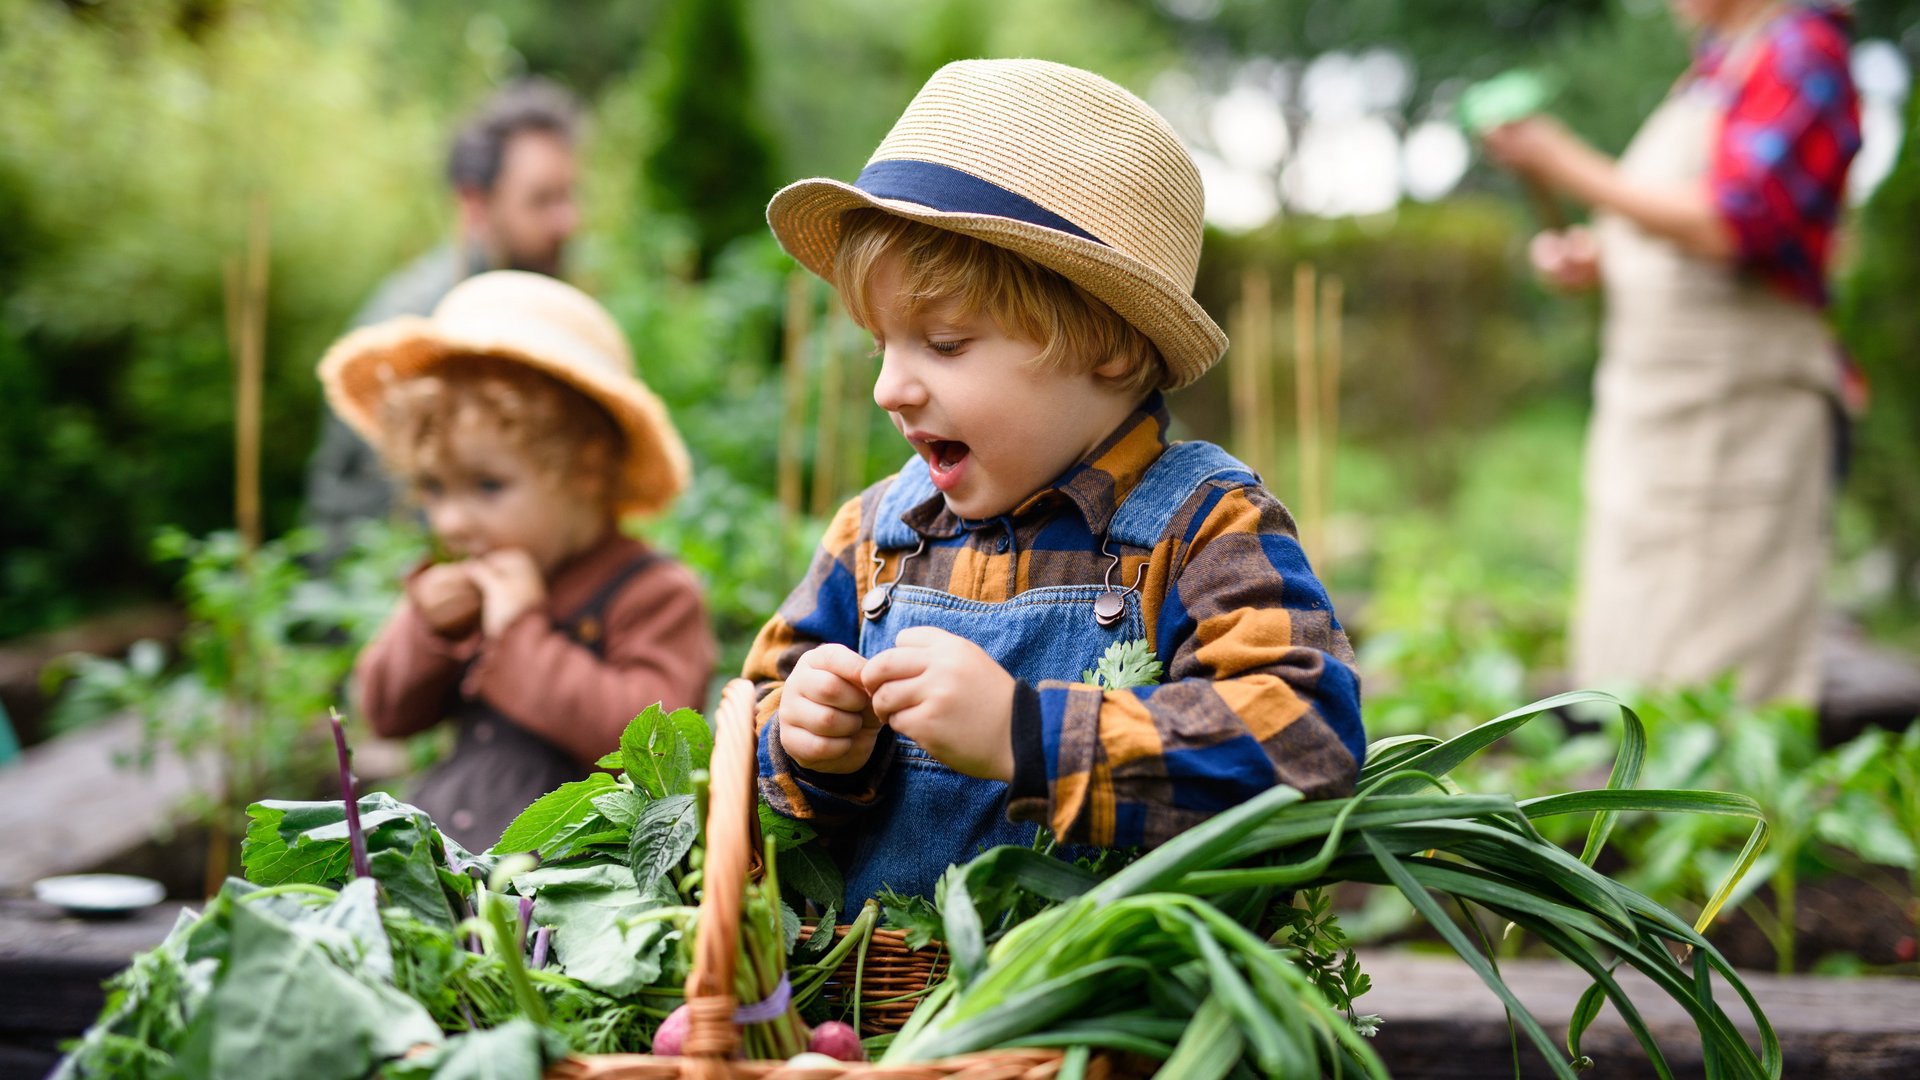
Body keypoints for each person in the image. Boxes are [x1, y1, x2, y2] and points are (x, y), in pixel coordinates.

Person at [749, 59, 1366, 908]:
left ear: (1107, 344)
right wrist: (803, 743)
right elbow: (748, 725)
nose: (889, 388)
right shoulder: (877, 537)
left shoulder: (1202, 530)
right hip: (875, 990)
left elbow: (1304, 739)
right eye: (881, 344)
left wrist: (1028, 736)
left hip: (1111, 993)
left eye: (946, 344)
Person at [1483, 0, 1860, 707]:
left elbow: (1732, 223)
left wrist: (1564, 162)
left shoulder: (1801, 51)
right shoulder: (1714, 69)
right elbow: (1668, 226)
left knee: (1723, 669)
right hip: (1657, 408)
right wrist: (1597, 255)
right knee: (1640, 642)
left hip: (1741, 410)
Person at [318, 271, 715, 851]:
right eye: (433, 488)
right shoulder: (472, 580)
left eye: (488, 485)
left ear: (586, 469)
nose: (450, 522)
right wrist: (429, 629)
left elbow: (655, 748)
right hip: (449, 852)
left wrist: (520, 632)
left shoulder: (654, 593)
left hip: (575, 872)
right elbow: (385, 712)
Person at [305, 78, 584, 564]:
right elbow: (379, 512)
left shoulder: (533, 303)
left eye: (569, 196)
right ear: (476, 204)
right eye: (542, 200)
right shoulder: (419, 329)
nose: (568, 222)